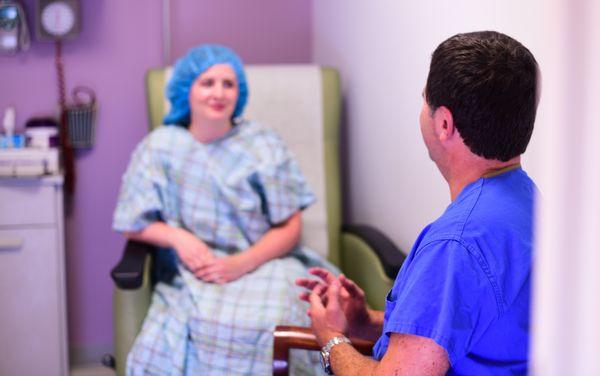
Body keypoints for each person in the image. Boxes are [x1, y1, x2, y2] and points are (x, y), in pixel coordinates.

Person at [297, 31, 539, 375]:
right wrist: (366, 323)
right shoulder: (527, 203)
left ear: (443, 123)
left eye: (425, 99)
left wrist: (331, 337)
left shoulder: (456, 245)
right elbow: (459, 332)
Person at [113, 44, 331, 375]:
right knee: (196, 326)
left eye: (228, 84)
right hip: (192, 274)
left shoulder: (262, 143)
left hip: (264, 263)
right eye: (207, 83)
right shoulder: (160, 148)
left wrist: (241, 263)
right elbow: (132, 222)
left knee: (270, 320)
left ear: (239, 93)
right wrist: (178, 238)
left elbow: (290, 226)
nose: (219, 92)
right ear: (187, 89)